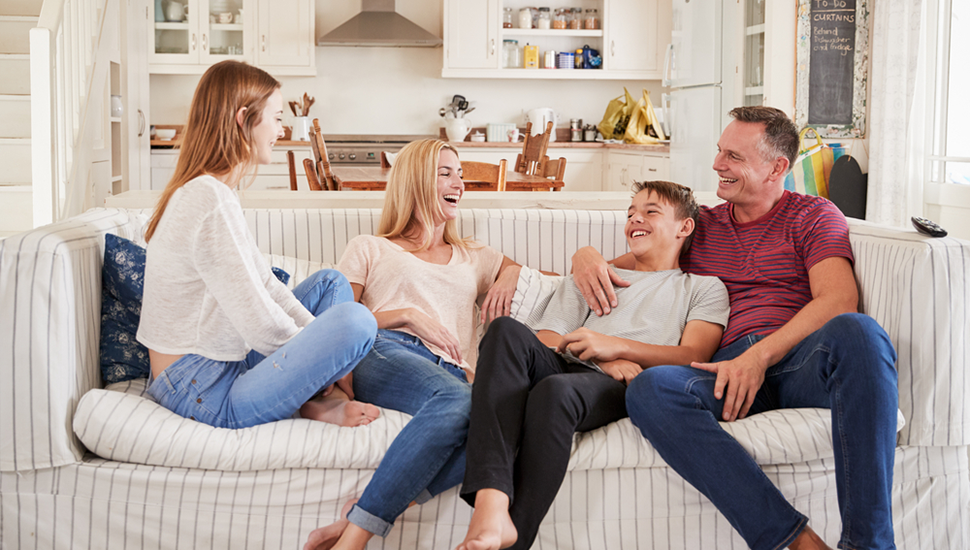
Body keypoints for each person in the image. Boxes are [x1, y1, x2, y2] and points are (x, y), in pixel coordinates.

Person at [570, 106, 898, 550]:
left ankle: (869, 545)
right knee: (650, 389)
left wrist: (759, 358)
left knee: (861, 333)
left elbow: (838, 300)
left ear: (777, 167)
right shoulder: (700, 226)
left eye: (734, 157)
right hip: (723, 371)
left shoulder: (813, 216)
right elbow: (621, 267)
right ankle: (795, 541)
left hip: (795, 361)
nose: (717, 165)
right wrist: (583, 256)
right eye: (720, 152)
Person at [455, 180, 730, 550]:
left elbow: (691, 355)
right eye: (630, 212)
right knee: (504, 329)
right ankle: (491, 503)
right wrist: (598, 354)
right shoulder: (594, 276)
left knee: (556, 393)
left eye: (651, 211)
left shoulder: (702, 287)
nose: (636, 219)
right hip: (570, 362)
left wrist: (616, 349)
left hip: (621, 384)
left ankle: (513, 539)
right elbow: (548, 340)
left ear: (684, 227)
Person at [303, 139, 523, 550]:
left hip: (452, 373)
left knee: (503, 427)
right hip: (385, 349)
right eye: (445, 173)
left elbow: (534, 277)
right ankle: (356, 539)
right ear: (416, 182)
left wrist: (512, 273)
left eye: (460, 174)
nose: (459, 182)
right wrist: (405, 315)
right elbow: (335, 326)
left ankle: (358, 518)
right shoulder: (370, 247)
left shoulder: (473, 254)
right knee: (460, 401)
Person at [137, 60, 378, 430]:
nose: (281, 131)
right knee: (357, 322)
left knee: (331, 282)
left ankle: (316, 399)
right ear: (243, 118)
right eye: (277, 118)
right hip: (200, 389)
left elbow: (265, 285)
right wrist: (318, 358)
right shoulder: (208, 199)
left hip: (212, 367)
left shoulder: (213, 192)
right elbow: (259, 324)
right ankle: (322, 399)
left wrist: (317, 356)